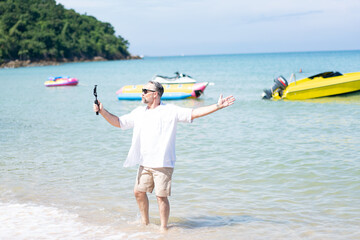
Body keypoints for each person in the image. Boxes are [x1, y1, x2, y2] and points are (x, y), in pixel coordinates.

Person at [93, 81, 235, 232]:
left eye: (145, 90)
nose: (142, 93)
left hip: (163, 163)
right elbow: (119, 122)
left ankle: (163, 229)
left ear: (155, 94)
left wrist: (218, 106)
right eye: (143, 90)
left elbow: (194, 113)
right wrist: (102, 111)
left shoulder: (170, 111)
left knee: (161, 197)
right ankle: (145, 222)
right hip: (144, 163)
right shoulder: (139, 112)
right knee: (138, 192)